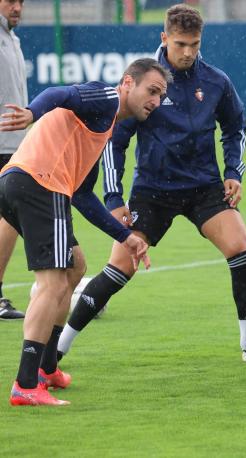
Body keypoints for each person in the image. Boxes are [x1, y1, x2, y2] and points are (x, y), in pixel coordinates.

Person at [57, 4, 246, 365]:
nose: (188, 52)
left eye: (195, 44)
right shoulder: (146, 82)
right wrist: (113, 197)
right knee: (119, 269)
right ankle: (57, 349)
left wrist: (233, 172)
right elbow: (114, 140)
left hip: (204, 187)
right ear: (164, 38)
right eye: (180, 44)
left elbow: (236, 127)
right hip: (153, 191)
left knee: (241, 247)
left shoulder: (216, 81)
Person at [0, 57, 169, 406]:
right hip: (39, 184)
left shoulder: (102, 126)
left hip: (22, 182)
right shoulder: (106, 98)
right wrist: (32, 112)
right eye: (151, 91)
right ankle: (25, 384)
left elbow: (84, 196)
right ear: (127, 83)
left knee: (75, 266)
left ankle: (47, 369)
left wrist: (126, 237)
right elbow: (59, 92)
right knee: (52, 283)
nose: (155, 101)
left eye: (161, 96)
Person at [0, 0, 26, 320]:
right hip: (3, 144)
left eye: (22, 1)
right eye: (10, 1)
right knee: (11, 216)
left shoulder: (12, 37)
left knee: (12, 217)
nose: (17, 7)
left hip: (14, 143)